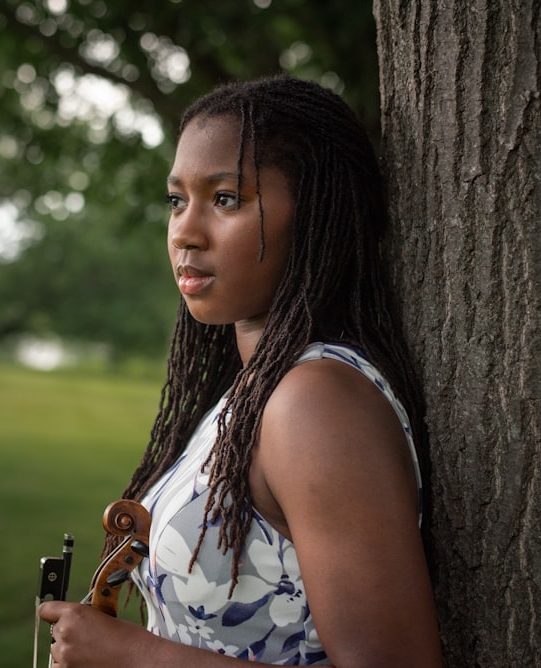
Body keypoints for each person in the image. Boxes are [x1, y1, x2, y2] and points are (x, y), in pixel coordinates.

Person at [39, 74, 443, 666]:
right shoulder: (257, 387)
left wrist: (137, 658)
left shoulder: (317, 403)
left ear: (314, 217)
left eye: (225, 198)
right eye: (177, 200)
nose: (185, 231)